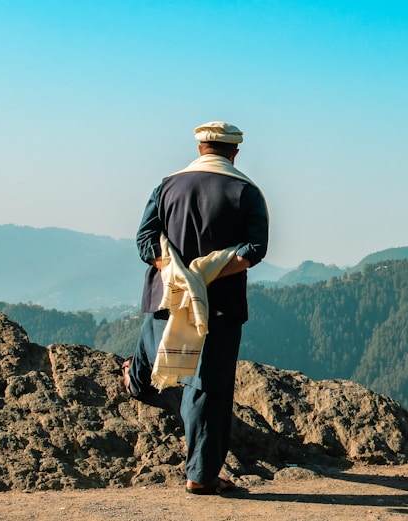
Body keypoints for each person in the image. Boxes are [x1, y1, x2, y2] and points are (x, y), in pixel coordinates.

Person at [122, 120, 269, 495]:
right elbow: (255, 249)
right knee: (208, 386)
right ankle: (201, 475)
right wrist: (206, 275)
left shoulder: (167, 184)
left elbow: (144, 243)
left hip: (166, 295)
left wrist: (178, 274)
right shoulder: (246, 191)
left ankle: (137, 381)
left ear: (200, 148)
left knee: (155, 336)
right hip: (218, 305)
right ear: (234, 151)